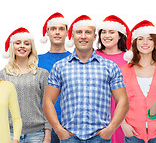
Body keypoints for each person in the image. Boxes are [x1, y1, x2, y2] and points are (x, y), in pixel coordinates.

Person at [42, 15, 129, 143]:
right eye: (79, 32)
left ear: (94, 37)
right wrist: (59, 130)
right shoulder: (60, 66)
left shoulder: (109, 66)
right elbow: (48, 101)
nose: (83, 36)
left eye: (88, 32)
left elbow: (123, 101)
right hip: (69, 137)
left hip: (100, 138)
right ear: (72, 36)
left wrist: (110, 130)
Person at [119, 20, 156, 143]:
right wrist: (123, 125)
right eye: (140, 39)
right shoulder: (124, 70)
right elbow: (119, 101)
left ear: (155, 42)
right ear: (135, 43)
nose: (145, 43)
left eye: (150, 39)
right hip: (132, 131)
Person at [0, 28, 52, 143]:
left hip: (36, 133)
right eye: (18, 43)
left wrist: (47, 135)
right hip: (10, 133)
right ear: (12, 47)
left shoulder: (42, 74)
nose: (22, 46)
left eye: (26, 43)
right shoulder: (2, 75)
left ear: (31, 48)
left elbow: (47, 105)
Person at [37, 13, 72, 143]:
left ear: (67, 33)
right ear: (47, 32)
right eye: (53, 29)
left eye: (61, 29)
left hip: (70, 123)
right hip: (44, 125)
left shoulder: (75, 59)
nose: (57, 32)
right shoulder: (37, 60)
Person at [96, 15, 131, 142]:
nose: (106, 35)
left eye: (111, 32)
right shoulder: (93, 55)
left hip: (122, 112)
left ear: (120, 35)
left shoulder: (128, 58)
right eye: (103, 32)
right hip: (98, 110)